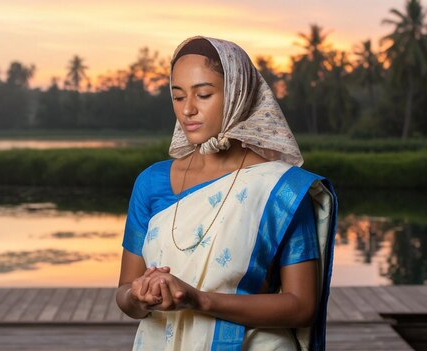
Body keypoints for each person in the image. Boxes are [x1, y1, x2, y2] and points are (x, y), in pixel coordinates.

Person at [116, 35, 338, 350]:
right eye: (178, 97)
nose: (188, 110)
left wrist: (199, 300)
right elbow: (125, 292)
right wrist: (141, 296)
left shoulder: (281, 188)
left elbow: (302, 307)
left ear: (238, 94)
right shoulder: (151, 183)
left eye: (203, 94)